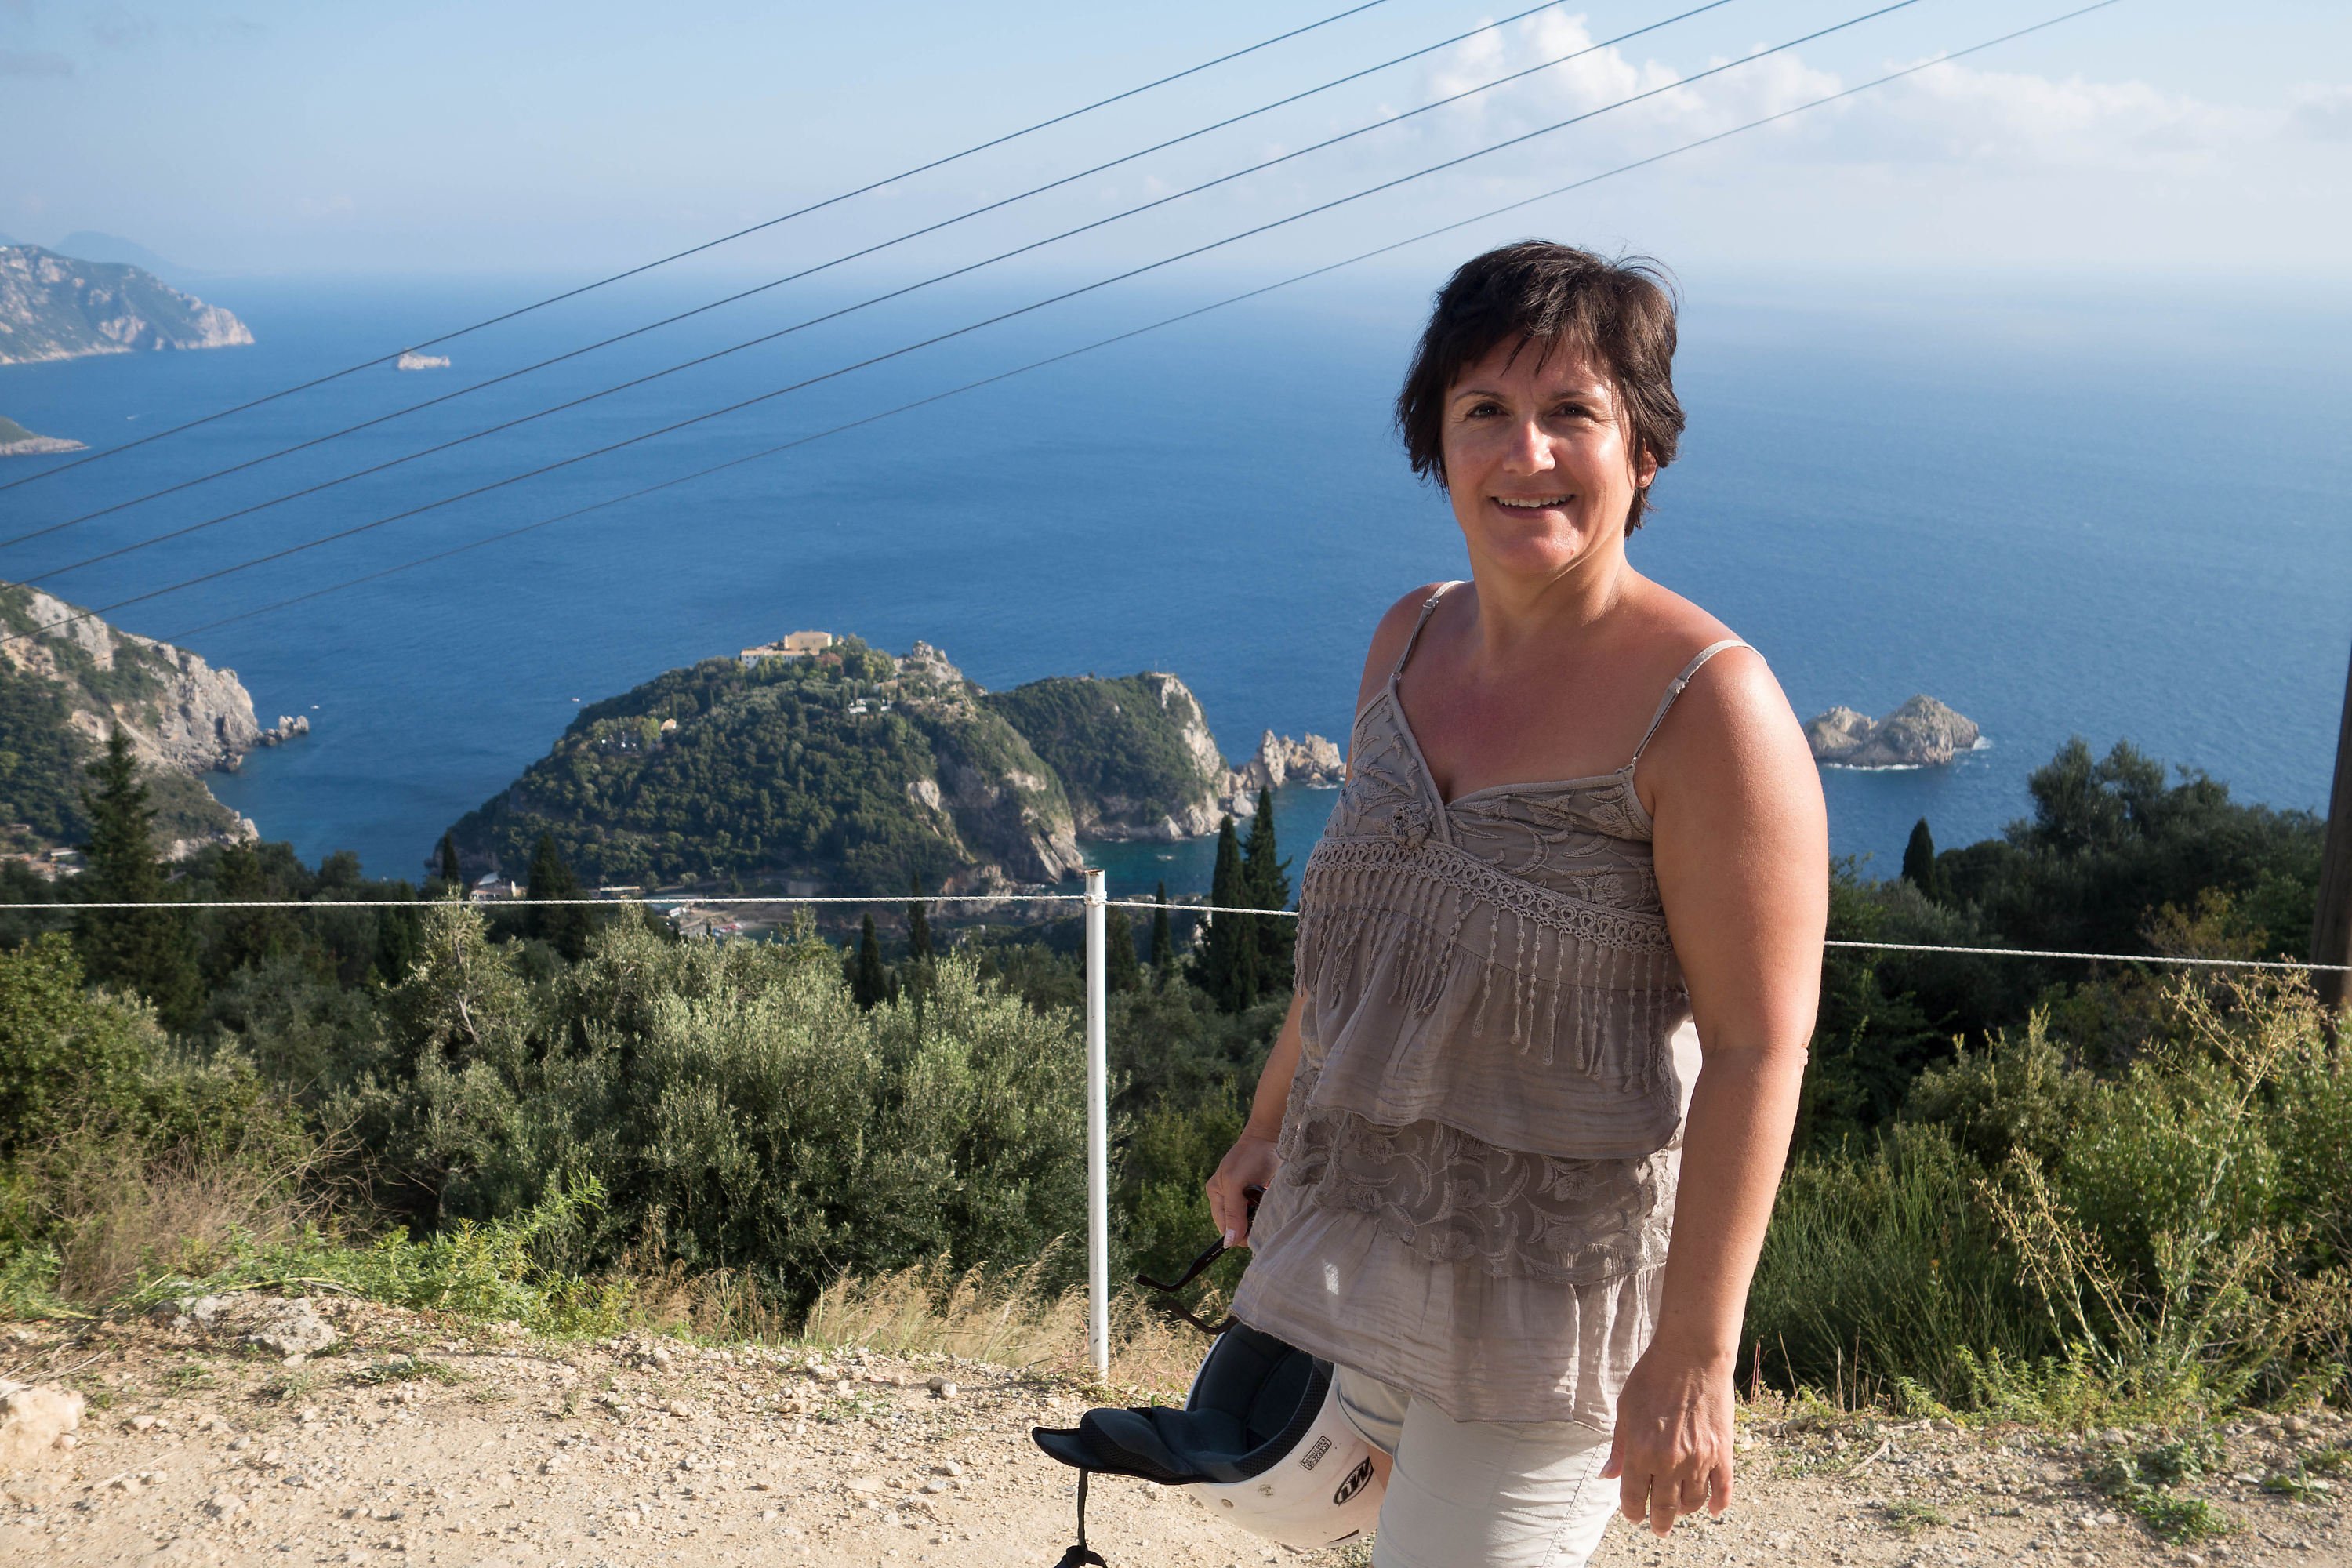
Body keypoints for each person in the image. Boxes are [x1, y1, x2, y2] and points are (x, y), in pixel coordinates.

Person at [1207, 241, 1826, 1568]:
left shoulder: (1711, 708)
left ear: (1642, 450)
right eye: (1483, 409)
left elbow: (1758, 1047)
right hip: (1366, 1233)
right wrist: (1267, 1126)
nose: (1524, 451)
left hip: (1556, 1302)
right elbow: (1364, 952)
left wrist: (1695, 1353)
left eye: (1572, 413)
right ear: (1438, 445)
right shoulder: (1407, 640)